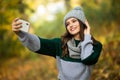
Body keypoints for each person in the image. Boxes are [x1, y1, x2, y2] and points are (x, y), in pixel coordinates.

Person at [12, 7, 102, 80]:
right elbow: (38, 43)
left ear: (82, 23)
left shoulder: (95, 46)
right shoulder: (60, 44)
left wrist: (87, 36)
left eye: (74, 21)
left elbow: (87, 59)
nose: (70, 25)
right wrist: (21, 34)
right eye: (67, 24)